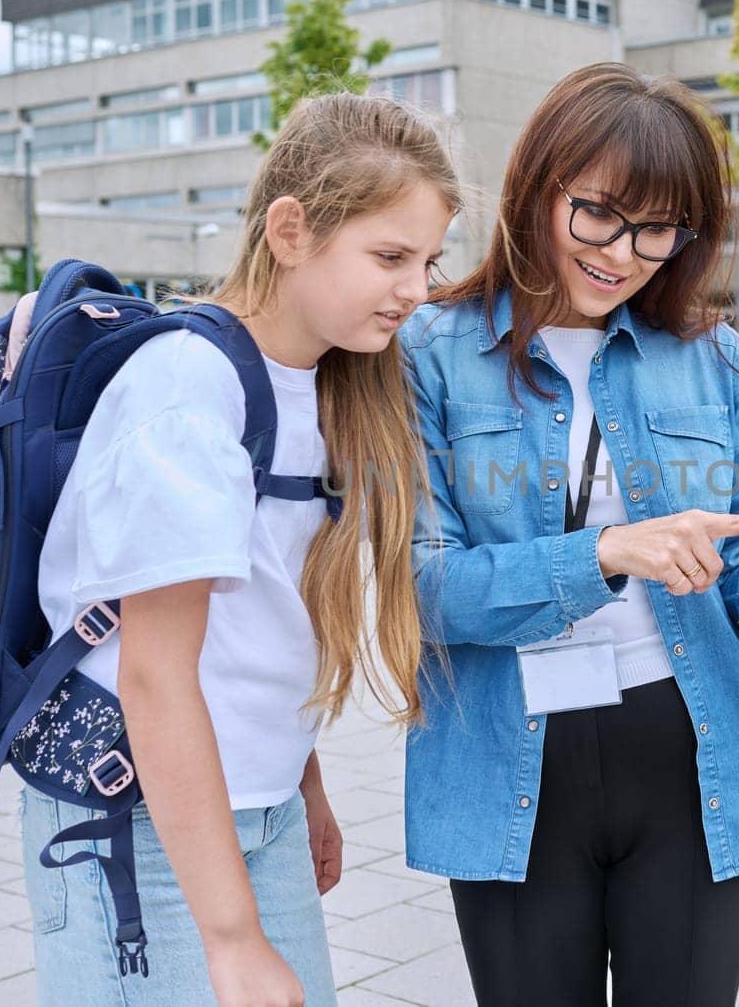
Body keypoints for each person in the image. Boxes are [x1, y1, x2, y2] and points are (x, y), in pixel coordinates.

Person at [399, 62, 739, 1007]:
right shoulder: (432, 351)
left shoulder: (712, 356)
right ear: (541, 186)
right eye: (601, 214)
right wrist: (606, 554)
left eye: (657, 229)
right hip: (510, 758)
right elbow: (419, 586)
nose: (622, 253)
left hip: (689, 753)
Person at [25, 93, 459, 1007]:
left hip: (250, 810)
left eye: (428, 260)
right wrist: (230, 935)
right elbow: (155, 673)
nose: (417, 288)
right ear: (291, 230)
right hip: (137, 819)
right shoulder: (188, 388)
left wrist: (301, 786)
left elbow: (261, 624)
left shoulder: (321, 384)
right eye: (390, 256)